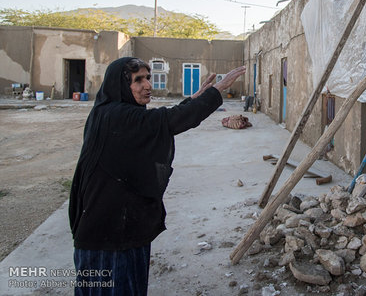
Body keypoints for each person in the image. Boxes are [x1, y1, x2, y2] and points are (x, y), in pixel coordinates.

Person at [68, 57, 245, 295]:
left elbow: (159, 121)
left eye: (148, 78)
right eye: (137, 80)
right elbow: (166, 122)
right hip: (105, 236)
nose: (147, 85)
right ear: (119, 85)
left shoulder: (119, 114)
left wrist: (194, 99)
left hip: (126, 227)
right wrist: (215, 93)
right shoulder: (113, 115)